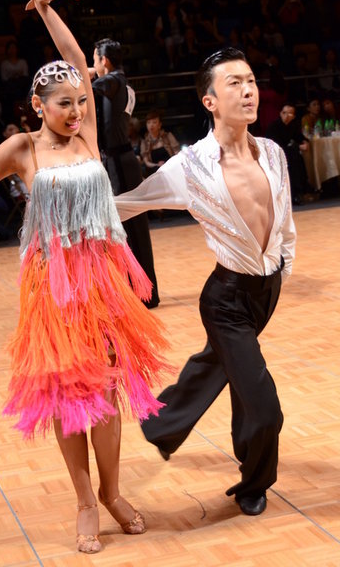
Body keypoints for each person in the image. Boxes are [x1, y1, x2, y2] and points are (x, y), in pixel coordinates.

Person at [0, 0, 171, 555]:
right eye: (64, 104)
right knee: (70, 395)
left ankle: (112, 492)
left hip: (102, 281)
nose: (76, 110)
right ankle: (85, 502)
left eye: (80, 101)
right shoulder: (22, 148)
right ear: (37, 105)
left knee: (106, 391)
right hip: (53, 285)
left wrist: (43, 6)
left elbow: (76, 59)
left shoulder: (87, 137)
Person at [115, 47, 296, 517]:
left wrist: (283, 268)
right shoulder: (190, 167)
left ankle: (161, 422)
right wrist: (63, 211)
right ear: (209, 100)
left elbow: (284, 222)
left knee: (226, 365)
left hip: (267, 290)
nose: (248, 90)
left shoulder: (273, 153)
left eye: (251, 80)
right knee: (264, 405)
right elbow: (130, 203)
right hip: (226, 299)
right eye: (234, 83)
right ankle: (255, 483)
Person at [91, 37, 160, 308]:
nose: (93, 66)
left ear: (104, 61)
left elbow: (89, 86)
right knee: (132, 227)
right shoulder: (124, 84)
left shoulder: (113, 81)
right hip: (122, 160)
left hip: (119, 162)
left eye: (95, 60)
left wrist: (82, 73)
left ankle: (142, 293)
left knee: (126, 226)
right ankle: (143, 291)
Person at [266, 104, 310, 205]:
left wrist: (305, 142)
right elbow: (276, 145)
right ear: (280, 113)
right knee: (293, 159)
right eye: (284, 113)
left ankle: (299, 192)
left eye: (289, 113)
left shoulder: (292, 125)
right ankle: (292, 195)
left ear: (293, 116)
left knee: (297, 159)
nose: (286, 116)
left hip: (288, 153)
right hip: (275, 155)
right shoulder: (274, 126)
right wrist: (298, 147)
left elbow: (299, 136)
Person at [141, 109, 180, 175]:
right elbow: (146, 162)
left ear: (159, 125)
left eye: (154, 122)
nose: (151, 125)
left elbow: (177, 154)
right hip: (155, 172)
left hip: (171, 168)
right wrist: (157, 165)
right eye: (148, 122)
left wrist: (168, 164)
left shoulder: (168, 136)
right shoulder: (144, 142)